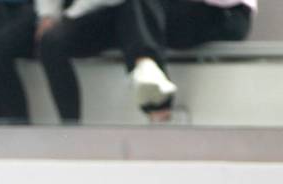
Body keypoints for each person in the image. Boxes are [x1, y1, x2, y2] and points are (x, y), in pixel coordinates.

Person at [37, 0, 256, 122]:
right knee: (52, 41)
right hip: (143, 11)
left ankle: (157, 102)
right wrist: (52, 16)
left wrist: (71, 13)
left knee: (137, 9)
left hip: (219, 13)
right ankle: (70, 128)